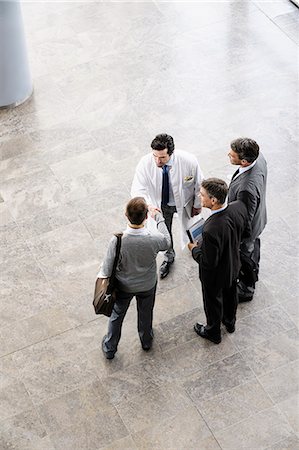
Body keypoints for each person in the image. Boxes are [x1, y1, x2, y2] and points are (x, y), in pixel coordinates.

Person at [98, 197, 171, 359]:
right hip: (147, 284)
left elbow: (107, 269)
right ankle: (146, 341)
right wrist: (158, 217)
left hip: (124, 286)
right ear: (146, 217)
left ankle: (110, 347)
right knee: (146, 313)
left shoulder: (117, 241)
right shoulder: (154, 239)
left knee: (117, 316)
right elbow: (167, 242)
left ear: (126, 215)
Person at [131, 133, 203, 279]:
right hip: (160, 206)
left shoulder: (189, 161)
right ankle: (169, 257)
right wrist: (149, 205)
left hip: (184, 202)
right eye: (155, 156)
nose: (158, 161)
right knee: (165, 233)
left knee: (192, 229)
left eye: (162, 157)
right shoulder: (145, 163)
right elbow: (137, 189)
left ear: (171, 153)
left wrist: (197, 204)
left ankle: (197, 249)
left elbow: (199, 184)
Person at [188, 178, 248, 344]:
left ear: (213, 200)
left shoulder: (211, 228)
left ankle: (213, 331)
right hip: (234, 265)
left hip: (215, 276)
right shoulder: (238, 207)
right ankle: (230, 322)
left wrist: (194, 249)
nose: (200, 197)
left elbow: (208, 262)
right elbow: (246, 232)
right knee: (231, 295)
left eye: (202, 195)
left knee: (213, 302)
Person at [228, 137, 267, 301]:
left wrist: (236, 239)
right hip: (259, 217)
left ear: (243, 161)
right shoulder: (260, 158)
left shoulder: (246, 189)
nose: (228, 156)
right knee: (253, 247)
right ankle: (254, 266)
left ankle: (246, 288)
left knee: (245, 256)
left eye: (232, 156)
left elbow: (244, 220)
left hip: (249, 228)